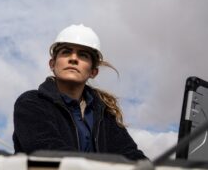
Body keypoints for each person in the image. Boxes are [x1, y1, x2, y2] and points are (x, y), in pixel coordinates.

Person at [13, 24, 146, 160]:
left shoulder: (104, 114)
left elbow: (130, 154)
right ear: (52, 64)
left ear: (93, 72)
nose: (73, 58)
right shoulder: (31, 103)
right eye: (66, 52)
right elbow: (48, 153)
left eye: (83, 55)